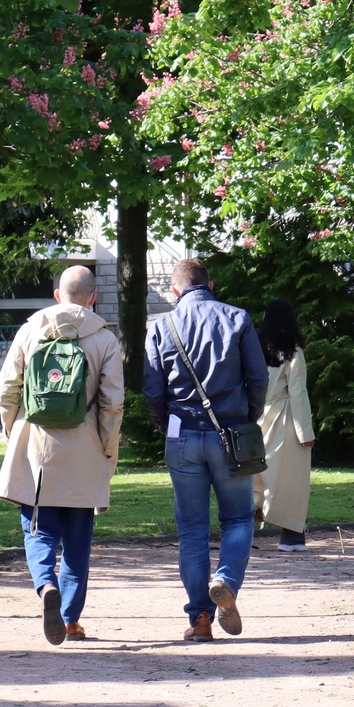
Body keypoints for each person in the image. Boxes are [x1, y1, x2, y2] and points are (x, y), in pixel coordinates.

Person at [0, 264, 124, 645]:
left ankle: (45, 584)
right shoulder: (104, 339)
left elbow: (5, 391)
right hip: (85, 448)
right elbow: (112, 403)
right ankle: (69, 619)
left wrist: (15, 431)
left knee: (38, 526)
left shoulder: (30, 329)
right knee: (79, 538)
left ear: (56, 296)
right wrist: (106, 448)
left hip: (38, 447)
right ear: (93, 298)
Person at [143, 257, 269, 640]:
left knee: (192, 530)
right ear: (211, 287)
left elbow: (152, 390)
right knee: (239, 518)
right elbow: (258, 378)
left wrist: (170, 425)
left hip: (182, 437)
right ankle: (226, 579)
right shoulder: (237, 318)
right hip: (230, 434)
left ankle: (200, 619)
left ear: (174, 292)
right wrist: (246, 418)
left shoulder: (160, 326)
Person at [253, 298, 315, 552]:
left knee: (256, 475)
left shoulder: (253, 349)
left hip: (257, 416)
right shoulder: (293, 352)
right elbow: (298, 393)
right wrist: (306, 432)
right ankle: (291, 535)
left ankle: (244, 526)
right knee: (292, 478)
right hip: (285, 418)